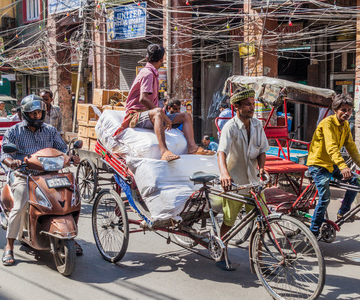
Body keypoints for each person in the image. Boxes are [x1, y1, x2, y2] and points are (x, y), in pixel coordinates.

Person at [0, 95, 81, 266]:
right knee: (21, 203)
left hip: (51, 174)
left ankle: (69, 236)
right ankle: (9, 246)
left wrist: (71, 156)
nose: (37, 116)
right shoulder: (14, 131)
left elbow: (62, 149)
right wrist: (12, 161)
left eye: (39, 113)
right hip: (24, 174)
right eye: (33, 113)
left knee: (70, 200)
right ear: (25, 114)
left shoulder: (50, 130)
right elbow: (5, 154)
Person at [113, 44, 213, 162]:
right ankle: (164, 151)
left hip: (148, 116)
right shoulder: (148, 73)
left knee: (186, 116)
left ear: (146, 57)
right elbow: (143, 98)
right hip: (136, 115)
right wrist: (163, 116)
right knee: (158, 112)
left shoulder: (152, 72)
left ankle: (192, 147)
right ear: (162, 59)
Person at [307, 93, 360, 238]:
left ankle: (343, 212)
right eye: (343, 110)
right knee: (325, 198)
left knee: (356, 180)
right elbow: (331, 147)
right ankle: (312, 232)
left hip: (332, 165)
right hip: (318, 165)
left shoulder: (345, 126)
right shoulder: (327, 123)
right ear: (336, 109)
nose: (346, 113)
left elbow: (352, 148)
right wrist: (343, 167)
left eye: (349, 110)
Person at [217, 87, 269, 271]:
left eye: (253, 104)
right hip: (235, 183)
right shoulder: (230, 127)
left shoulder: (257, 125)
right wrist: (224, 174)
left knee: (262, 221)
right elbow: (221, 152)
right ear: (237, 106)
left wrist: (262, 168)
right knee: (229, 222)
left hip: (254, 182)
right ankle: (222, 253)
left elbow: (262, 150)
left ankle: (259, 260)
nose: (251, 108)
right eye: (247, 104)